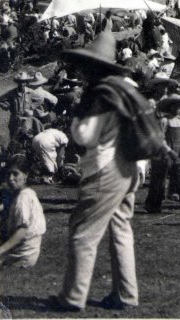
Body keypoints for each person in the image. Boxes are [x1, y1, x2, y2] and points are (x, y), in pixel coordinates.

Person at [53, 32, 140, 312]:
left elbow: (85, 136)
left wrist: (77, 114)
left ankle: (73, 297)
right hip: (130, 167)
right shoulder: (125, 87)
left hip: (105, 167)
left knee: (83, 233)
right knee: (121, 229)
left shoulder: (101, 93)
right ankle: (126, 294)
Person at [145, 94, 180, 217]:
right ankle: (153, 205)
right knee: (159, 180)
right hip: (165, 154)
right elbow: (159, 138)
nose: (178, 109)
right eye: (175, 106)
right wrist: (169, 151)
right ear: (170, 107)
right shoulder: (165, 120)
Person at [0, 154, 46, 268]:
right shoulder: (26, 193)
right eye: (8, 174)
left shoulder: (23, 198)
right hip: (27, 250)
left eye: (15, 174)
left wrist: (0, 250)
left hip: (22, 255)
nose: (10, 178)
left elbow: (22, 231)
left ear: (26, 176)